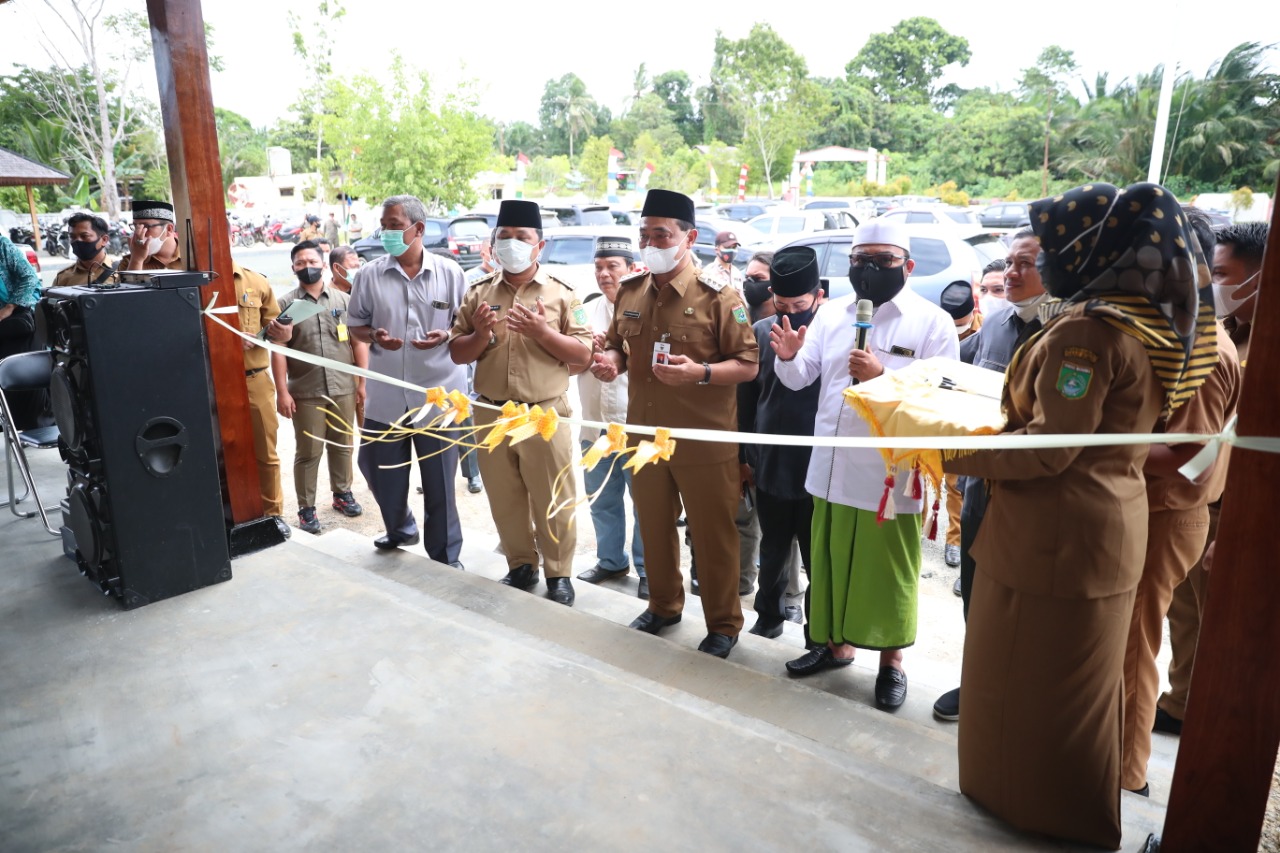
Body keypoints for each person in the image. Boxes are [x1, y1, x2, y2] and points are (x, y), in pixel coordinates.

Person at [944, 182, 1218, 848]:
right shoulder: (1138, 320)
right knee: (1034, 681)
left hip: (1058, 538)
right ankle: (1017, 796)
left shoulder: (1088, 331)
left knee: (1046, 690)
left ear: (1092, 252)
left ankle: (1055, 814)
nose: (1044, 259)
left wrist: (949, 452)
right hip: (1084, 528)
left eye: (1053, 246)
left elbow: (1051, 448)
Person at [772, 219, 958, 709]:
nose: (869, 269)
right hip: (832, 466)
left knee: (888, 571)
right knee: (830, 564)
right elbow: (800, 378)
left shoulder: (932, 322)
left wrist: (883, 376)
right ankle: (835, 646)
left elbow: (940, 401)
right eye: (860, 260)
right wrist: (789, 358)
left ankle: (892, 663)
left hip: (889, 477)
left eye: (882, 260)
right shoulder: (832, 313)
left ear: (907, 266)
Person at [591, 188, 760, 658]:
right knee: (653, 525)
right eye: (644, 235)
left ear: (690, 237)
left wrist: (700, 373)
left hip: (703, 440)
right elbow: (616, 346)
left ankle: (723, 623)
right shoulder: (631, 291)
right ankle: (664, 606)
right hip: (646, 436)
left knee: (712, 536)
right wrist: (609, 363)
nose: (650, 243)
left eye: (661, 234)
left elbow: (748, 364)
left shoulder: (719, 296)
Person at [1120, 215, 1241, 796]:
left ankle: (1126, 773)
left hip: (1167, 513)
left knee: (1132, 646)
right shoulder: (1179, 329)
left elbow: (1190, 457)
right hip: (1154, 506)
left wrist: (1098, 442)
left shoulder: (1205, 348)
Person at [449, 199, 592, 605]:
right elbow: (458, 353)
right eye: (504, 236)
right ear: (494, 243)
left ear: (539, 245)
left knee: (553, 496)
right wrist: (479, 334)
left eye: (522, 237)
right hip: (492, 411)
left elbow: (583, 355)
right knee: (504, 495)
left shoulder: (563, 294)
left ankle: (559, 573)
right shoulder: (478, 292)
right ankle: (521, 564)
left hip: (543, 412)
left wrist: (543, 332)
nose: (512, 243)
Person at [1156, 220, 1267, 736]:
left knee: (1221, 622)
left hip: (1240, 503)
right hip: (1202, 500)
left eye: (1222, 274)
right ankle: (1181, 702)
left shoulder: (1265, 351)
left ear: (1262, 278)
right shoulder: (1231, 331)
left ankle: (1205, 717)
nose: (1211, 284)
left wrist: (1245, 527)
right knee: (1185, 612)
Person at [933, 229, 1048, 722]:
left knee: (1021, 603)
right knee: (976, 591)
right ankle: (977, 681)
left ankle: (1017, 693)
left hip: (1031, 494)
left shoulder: (1070, 333)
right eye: (1009, 262)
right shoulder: (997, 323)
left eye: (1027, 263)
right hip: (981, 485)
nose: (1012, 273)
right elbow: (952, 374)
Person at [348, 194, 468, 566]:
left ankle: (445, 554)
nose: (387, 233)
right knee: (376, 467)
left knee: (440, 482)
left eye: (395, 226)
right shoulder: (369, 274)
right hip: (386, 394)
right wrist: (374, 336)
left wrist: (446, 335)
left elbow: (466, 326)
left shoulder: (450, 273)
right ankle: (401, 528)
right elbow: (356, 325)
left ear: (419, 229)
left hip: (438, 396)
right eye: (384, 226)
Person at [739, 246, 824, 639]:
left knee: (817, 555)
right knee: (772, 548)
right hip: (770, 460)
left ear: (818, 296)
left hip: (818, 465)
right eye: (782, 305)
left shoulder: (829, 337)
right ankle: (768, 617)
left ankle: (817, 631)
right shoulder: (760, 333)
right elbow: (746, 402)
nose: (790, 313)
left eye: (800, 305)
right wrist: (744, 457)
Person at [271, 240, 367, 535]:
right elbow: (279, 350)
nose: (307, 267)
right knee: (309, 451)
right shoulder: (286, 305)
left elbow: (358, 342)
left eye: (312, 261)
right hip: (306, 390)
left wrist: (362, 382)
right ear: (293, 268)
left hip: (344, 386)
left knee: (343, 444)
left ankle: (342, 493)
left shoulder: (343, 300)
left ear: (323, 264)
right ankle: (306, 508)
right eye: (300, 263)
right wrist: (282, 392)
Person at [575, 236, 648, 598]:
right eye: (599, 267)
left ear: (631, 269)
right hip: (594, 426)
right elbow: (568, 362)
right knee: (601, 499)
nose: (604, 274)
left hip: (637, 429)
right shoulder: (585, 312)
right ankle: (610, 560)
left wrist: (622, 350)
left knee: (647, 504)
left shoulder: (648, 309)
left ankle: (649, 570)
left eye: (612, 266)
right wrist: (586, 350)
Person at [234, 261, 293, 535]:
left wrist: (283, 331)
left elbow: (278, 331)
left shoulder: (255, 281)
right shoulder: (192, 280)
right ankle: (231, 513)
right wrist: (226, 340)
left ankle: (273, 515)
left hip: (254, 379)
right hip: (210, 380)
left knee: (265, 452)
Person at [936, 281, 983, 570]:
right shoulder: (937, 327)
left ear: (973, 312)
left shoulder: (986, 331)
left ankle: (954, 539)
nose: (955, 329)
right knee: (928, 476)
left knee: (957, 483)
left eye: (960, 324)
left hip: (968, 418)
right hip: (939, 414)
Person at [51, 213, 119, 287]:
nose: (77, 241)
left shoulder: (121, 272)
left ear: (104, 240)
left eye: (84, 236)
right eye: (72, 237)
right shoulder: (63, 277)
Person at [124, 199, 182, 271]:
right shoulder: (129, 262)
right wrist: (137, 260)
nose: (138, 234)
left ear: (169, 229)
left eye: (145, 227)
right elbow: (129, 278)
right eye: (135, 227)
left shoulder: (191, 256)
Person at [742, 250, 775, 324]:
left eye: (758, 278)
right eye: (747, 278)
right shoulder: (742, 318)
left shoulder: (787, 319)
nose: (749, 283)